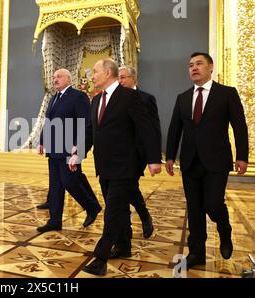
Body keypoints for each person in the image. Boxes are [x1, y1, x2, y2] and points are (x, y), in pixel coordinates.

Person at [69, 59, 162, 276]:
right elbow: (91, 132)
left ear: (108, 72)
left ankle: (100, 258)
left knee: (112, 212)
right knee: (118, 211)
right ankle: (124, 246)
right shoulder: (96, 100)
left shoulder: (130, 96)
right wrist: (77, 155)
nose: (92, 76)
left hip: (125, 166)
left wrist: (153, 159)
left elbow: (147, 128)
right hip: (105, 167)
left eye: (95, 72)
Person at [166, 52, 248, 269]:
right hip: (190, 161)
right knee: (194, 209)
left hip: (217, 160)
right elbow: (175, 129)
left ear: (210, 67)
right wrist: (170, 156)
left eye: (199, 64)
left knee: (212, 204)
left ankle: (224, 229)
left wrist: (242, 156)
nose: (194, 68)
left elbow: (239, 126)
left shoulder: (227, 93)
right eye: (191, 65)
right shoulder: (183, 97)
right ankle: (196, 253)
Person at [37, 69, 102, 233]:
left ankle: (92, 206)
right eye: (53, 77)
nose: (54, 80)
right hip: (53, 149)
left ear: (68, 79)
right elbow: (48, 122)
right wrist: (42, 142)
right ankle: (55, 220)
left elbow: (85, 124)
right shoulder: (53, 98)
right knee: (56, 186)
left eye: (58, 77)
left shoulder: (78, 96)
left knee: (69, 182)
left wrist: (77, 148)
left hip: (69, 149)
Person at [117, 66, 162, 240]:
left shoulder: (146, 98)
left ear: (134, 79)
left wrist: (154, 157)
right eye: (118, 78)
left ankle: (141, 218)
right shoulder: (115, 98)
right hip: (119, 151)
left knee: (127, 185)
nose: (120, 81)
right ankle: (138, 218)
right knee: (127, 187)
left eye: (123, 77)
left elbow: (153, 128)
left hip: (137, 152)